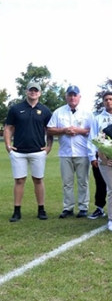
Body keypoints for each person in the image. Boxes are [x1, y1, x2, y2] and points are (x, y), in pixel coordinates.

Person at [4, 82, 53, 222]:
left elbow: (49, 130)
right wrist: (8, 145)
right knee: (19, 180)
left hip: (38, 151)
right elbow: (8, 127)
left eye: (36, 90)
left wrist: (49, 146)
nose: (33, 92)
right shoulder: (16, 108)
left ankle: (41, 209)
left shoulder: (45, 110)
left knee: (38, 179)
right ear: (26, 91)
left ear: (40, 93)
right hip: (19, 151)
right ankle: (17, 211)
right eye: (31, 90)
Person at [47, 85, 92, 219]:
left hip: (82, 152)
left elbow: (92, 131)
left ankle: (83, 207)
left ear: (79, 97)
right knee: (67, 183)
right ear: (66, 97)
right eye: (70, 95)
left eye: (75, 95)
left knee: (83, 182)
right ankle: (68, 207)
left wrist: (79, 131)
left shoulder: (87, 113)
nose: (72, 97)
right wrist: (64, 130)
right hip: (65, 153)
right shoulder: (58, 112)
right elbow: (49, 129)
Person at [87, 92, 112, 219]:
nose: (108, 102)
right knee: (100, 183)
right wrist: (92, 157)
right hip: (101, 156)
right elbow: (92, 138)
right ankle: (99, 208)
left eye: (111, 99)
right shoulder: (97, 118)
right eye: (106, 100)